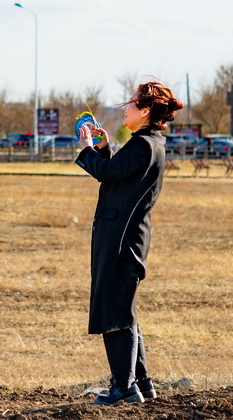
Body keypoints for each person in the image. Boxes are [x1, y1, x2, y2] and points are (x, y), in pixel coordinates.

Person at [75, 81, 183, 406]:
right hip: (127, 238)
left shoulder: (143, 145)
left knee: (114, 312)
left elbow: (107, 173)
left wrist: (86, 148)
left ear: (146, 111)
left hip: (121, 241)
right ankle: (142, 383)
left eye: (132, 104)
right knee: (125, 310)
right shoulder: (147, 143)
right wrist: (105, 148)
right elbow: (117, 173)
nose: (126, 108)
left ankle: (124, 387)